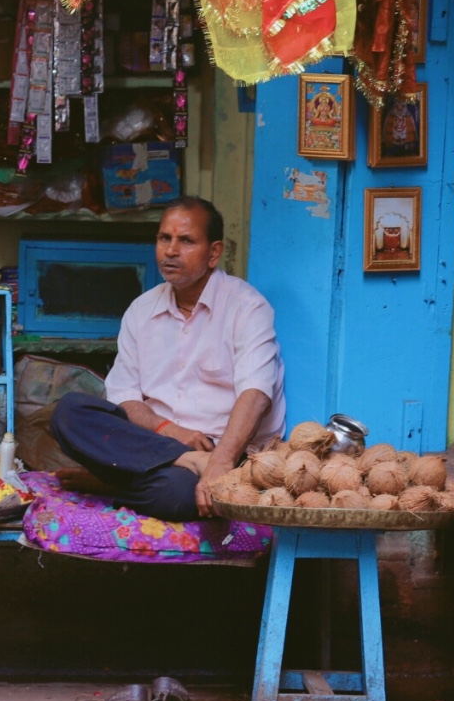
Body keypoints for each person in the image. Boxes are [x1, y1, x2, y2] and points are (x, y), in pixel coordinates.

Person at [48, 196, 286, 519]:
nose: (171, 251)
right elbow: (126, 399)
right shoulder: (141, 311)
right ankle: (164, 466)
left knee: (175, 496)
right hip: (157, 446)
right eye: (164, 238)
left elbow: (256, 395)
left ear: (214, 253)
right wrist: (172, 434)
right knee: (69, 412)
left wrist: (219, 462)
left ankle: (116, 480)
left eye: (186, 241)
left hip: (225, 454)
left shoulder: (247, 308)